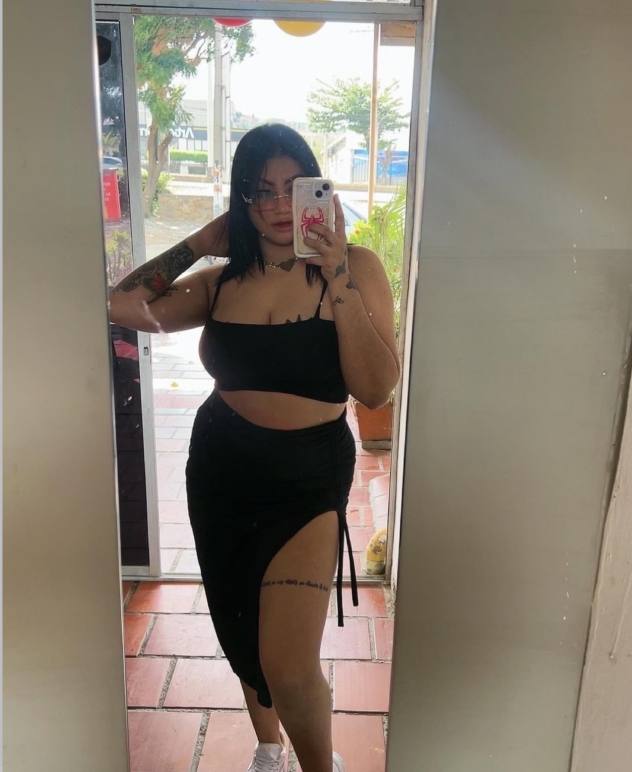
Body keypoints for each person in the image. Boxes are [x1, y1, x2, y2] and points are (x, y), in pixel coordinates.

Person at [109, 123, 400, 772]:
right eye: (260, 190)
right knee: (241, 627)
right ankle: (270, 750)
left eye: (293, 188)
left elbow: (375, 385)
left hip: (309, 478)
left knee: (289, 665)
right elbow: (123, 304)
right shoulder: (222, 282)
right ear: (241, 200)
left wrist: (336, 275)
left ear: (318, 189)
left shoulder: (358, 267)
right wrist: (201, 242)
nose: (277, 205)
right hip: (222, 467)